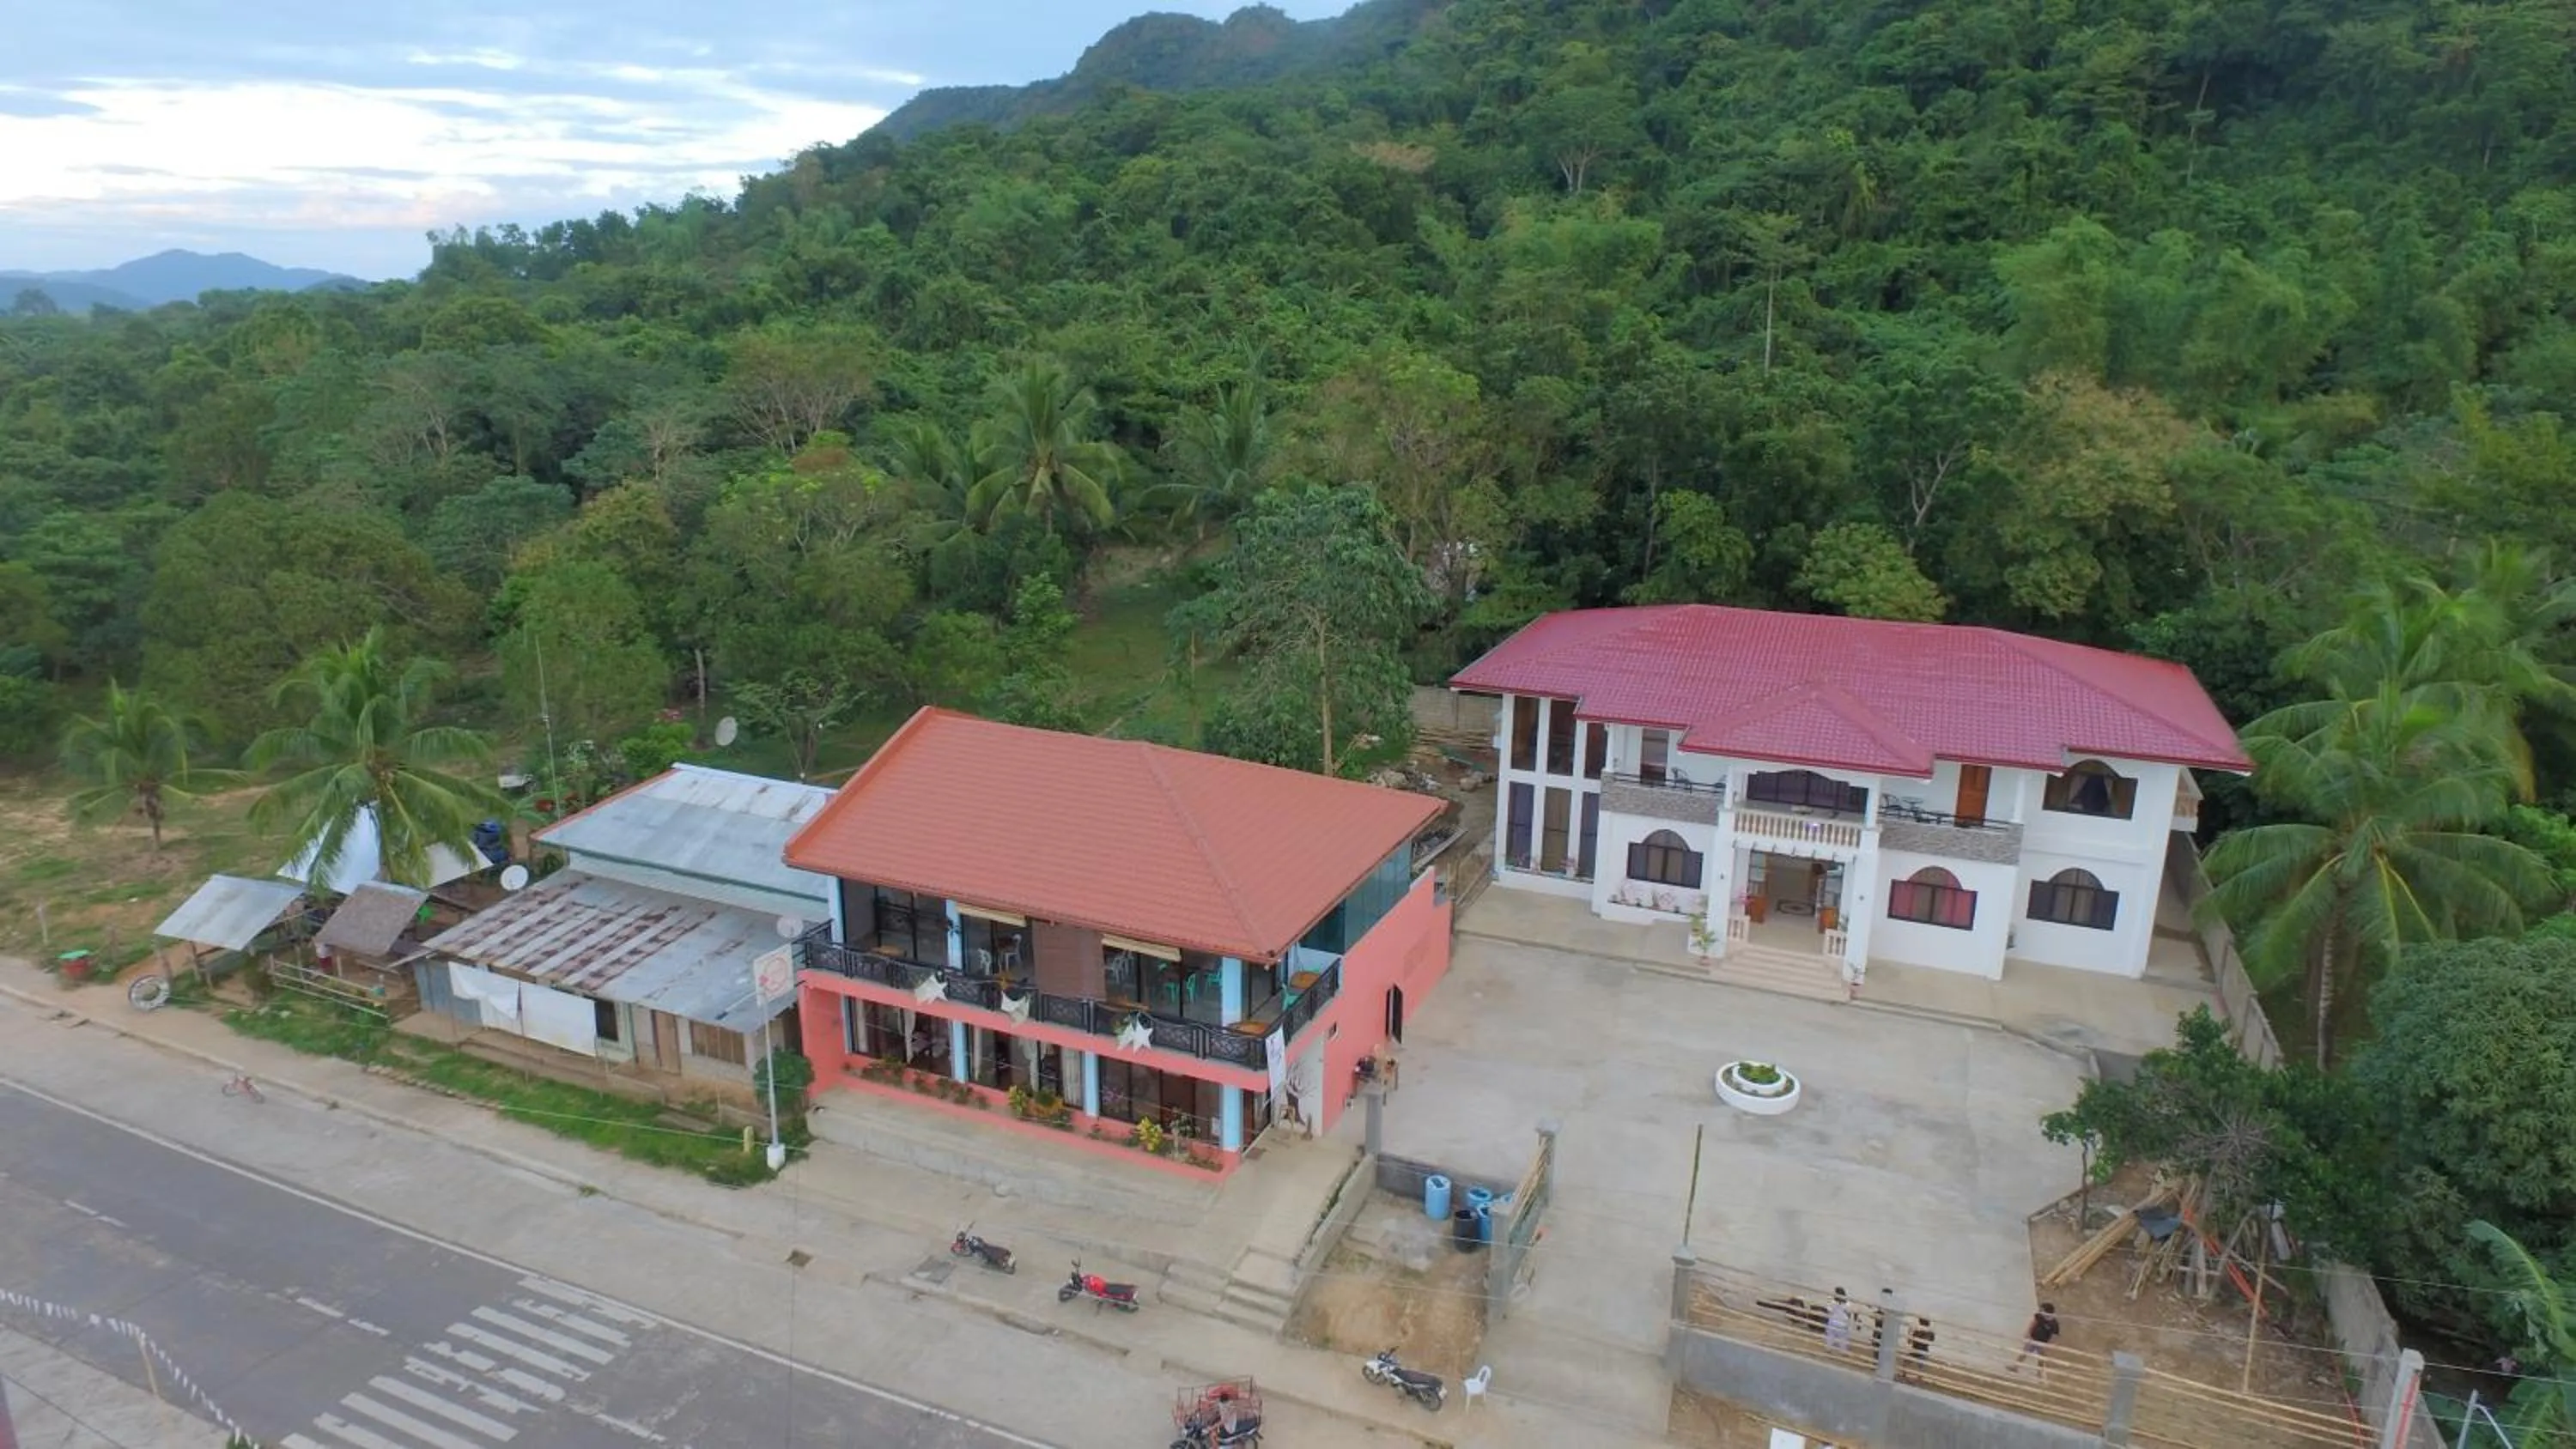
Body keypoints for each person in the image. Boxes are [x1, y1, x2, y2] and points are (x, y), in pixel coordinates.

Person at [2013, 1302, 2062, 1379]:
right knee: (2024, 1353)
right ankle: (2015, 1367)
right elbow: (2033, 1323)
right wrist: (2028, 1334)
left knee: (2041, 1359)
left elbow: (2054, 1335)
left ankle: (2039, 1373)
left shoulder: (2054, 1323)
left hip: (2043, 1343)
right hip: (2033, 1339)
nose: (2040, 1311)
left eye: (2042, 1309)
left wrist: (2049, 1345)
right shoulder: (2039, 1316)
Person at [1823, 1288, 1854, 1354]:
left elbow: (1829, 1310)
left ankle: (1828, 1348)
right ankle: (1843, 1351)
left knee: (1830, 1336)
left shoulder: (1832, 1302)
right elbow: (1849, 1314)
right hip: (1843, 1323)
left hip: (1833, 1322)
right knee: (1843, 1338)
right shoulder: (1848, 1304)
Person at [1905, 1318, 1936, 1382]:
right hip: (1923, 1350)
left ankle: (1904, 1374)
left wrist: (1910, 1333)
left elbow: (1910, 1341)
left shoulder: (1918, 1331)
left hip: (1916, 1349)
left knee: (1906, 1363)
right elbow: (1932, 1340)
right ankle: (1919, 1378)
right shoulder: (1930, 1333)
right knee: (1921, 1367)